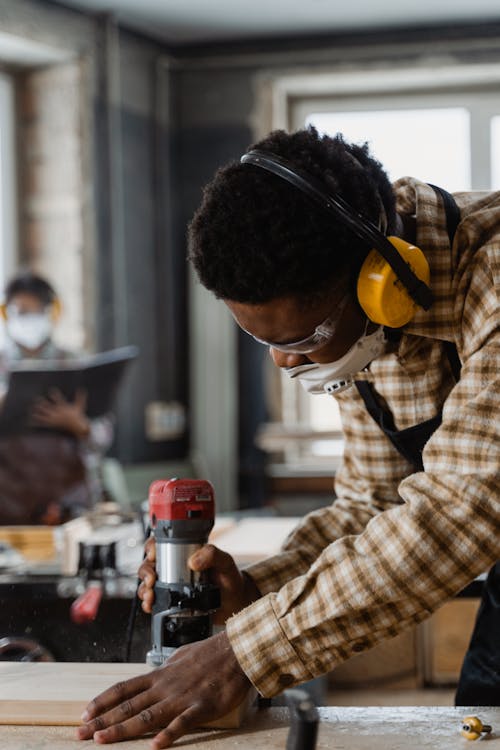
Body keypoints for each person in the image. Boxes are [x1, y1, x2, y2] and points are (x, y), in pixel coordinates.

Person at [77, 127, 500, 748]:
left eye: (301, 341)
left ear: (381, 281)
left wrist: (248, 652)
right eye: (265, 342)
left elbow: (464, 510)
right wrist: (253, 591)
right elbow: (375, 506)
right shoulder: (371, 328)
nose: (283, 363)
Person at [0, 271, 113, 524]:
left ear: (52, 312)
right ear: (6, 313)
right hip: (7, 506)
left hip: (70, 503)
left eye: (37, 311)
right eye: (21, 311)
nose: (29, 319)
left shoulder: (76, 364)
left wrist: (80, 426)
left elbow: (104, 435)